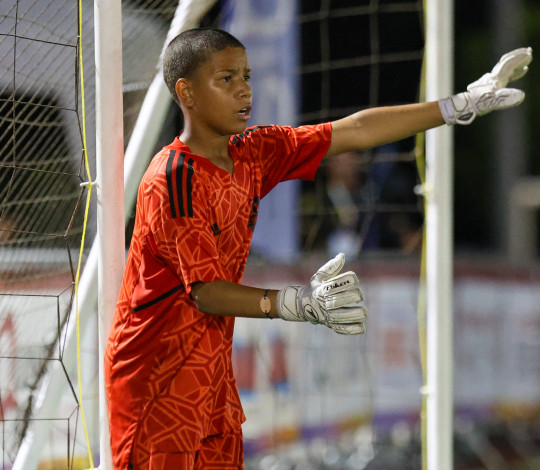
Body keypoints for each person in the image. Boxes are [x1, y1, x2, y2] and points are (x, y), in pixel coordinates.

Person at [104, 28, 532, 470]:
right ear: (186, 92)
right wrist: (298, 304)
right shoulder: (172, 177)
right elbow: (205, 291)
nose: (244, 88)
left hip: (210, 374)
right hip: (156, 379)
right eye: (226, 78)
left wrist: (455, 106)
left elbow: (353, 130)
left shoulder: (254, 152)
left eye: (246, 76)